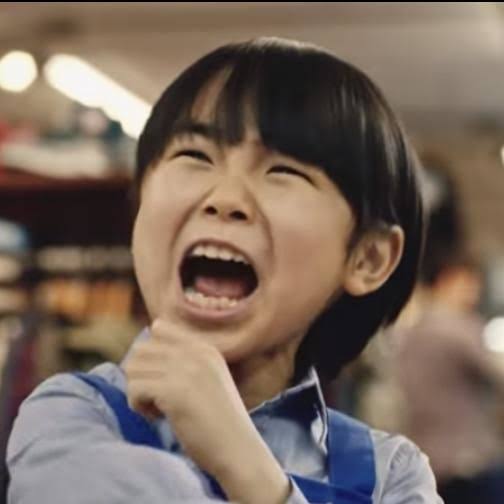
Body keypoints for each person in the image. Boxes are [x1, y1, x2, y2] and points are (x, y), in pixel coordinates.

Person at [6, 38, 440, 503]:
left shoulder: (392, 473)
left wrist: (241, 458)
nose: (226, 198)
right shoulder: (72, 417)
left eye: (284, 171)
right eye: (194, 156)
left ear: (368, 258)